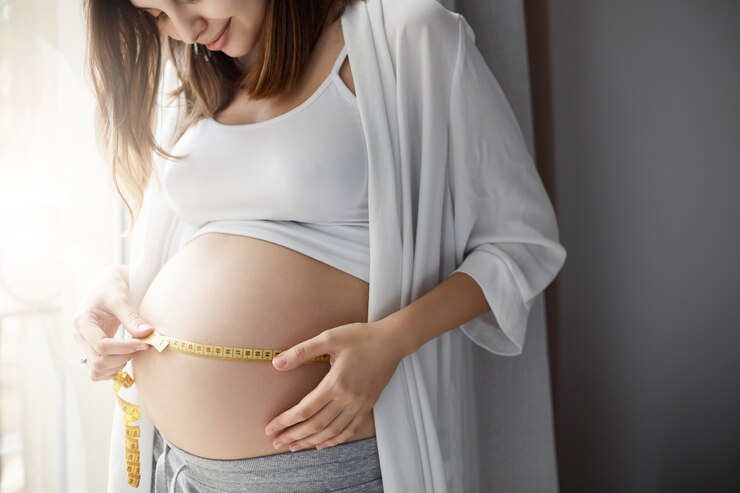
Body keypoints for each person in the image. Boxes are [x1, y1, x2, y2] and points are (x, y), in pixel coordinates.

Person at [73, 0, 567, 491]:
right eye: (157, 13)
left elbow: (520, 244)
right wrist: (116, 285)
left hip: (321, 467)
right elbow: (193, 236)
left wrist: (393, 340)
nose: (184, 28)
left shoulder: (407, 36)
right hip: (176, 468)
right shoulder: (194, 84)